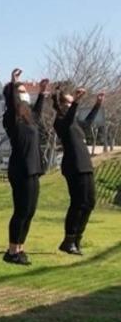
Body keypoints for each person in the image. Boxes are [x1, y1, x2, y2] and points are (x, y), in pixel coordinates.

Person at [2, 70, 47, 265]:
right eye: (20, 91)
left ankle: (20, 248)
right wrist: (14, 82)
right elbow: (13, 105)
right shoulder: (11, 117)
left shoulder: (29, 117)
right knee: (21, 210)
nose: (24, 93)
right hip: (20, 169)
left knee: (30, 211)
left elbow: (37, 112)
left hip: (34, 168)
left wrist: (43, 92)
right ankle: (12, 251)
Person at [53, 86, 103, 255]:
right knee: (78, 203)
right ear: (60, 104)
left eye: (70, 102)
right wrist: (76, 101)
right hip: (73, 166)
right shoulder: (59, 121)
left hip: (86, 164)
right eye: (67, 102)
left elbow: (87, 123)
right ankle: (68, 240)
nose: (70, 104)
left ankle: (78, 239)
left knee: (90, 202)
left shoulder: (74, 121)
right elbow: (67, 121)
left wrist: (97, 104)